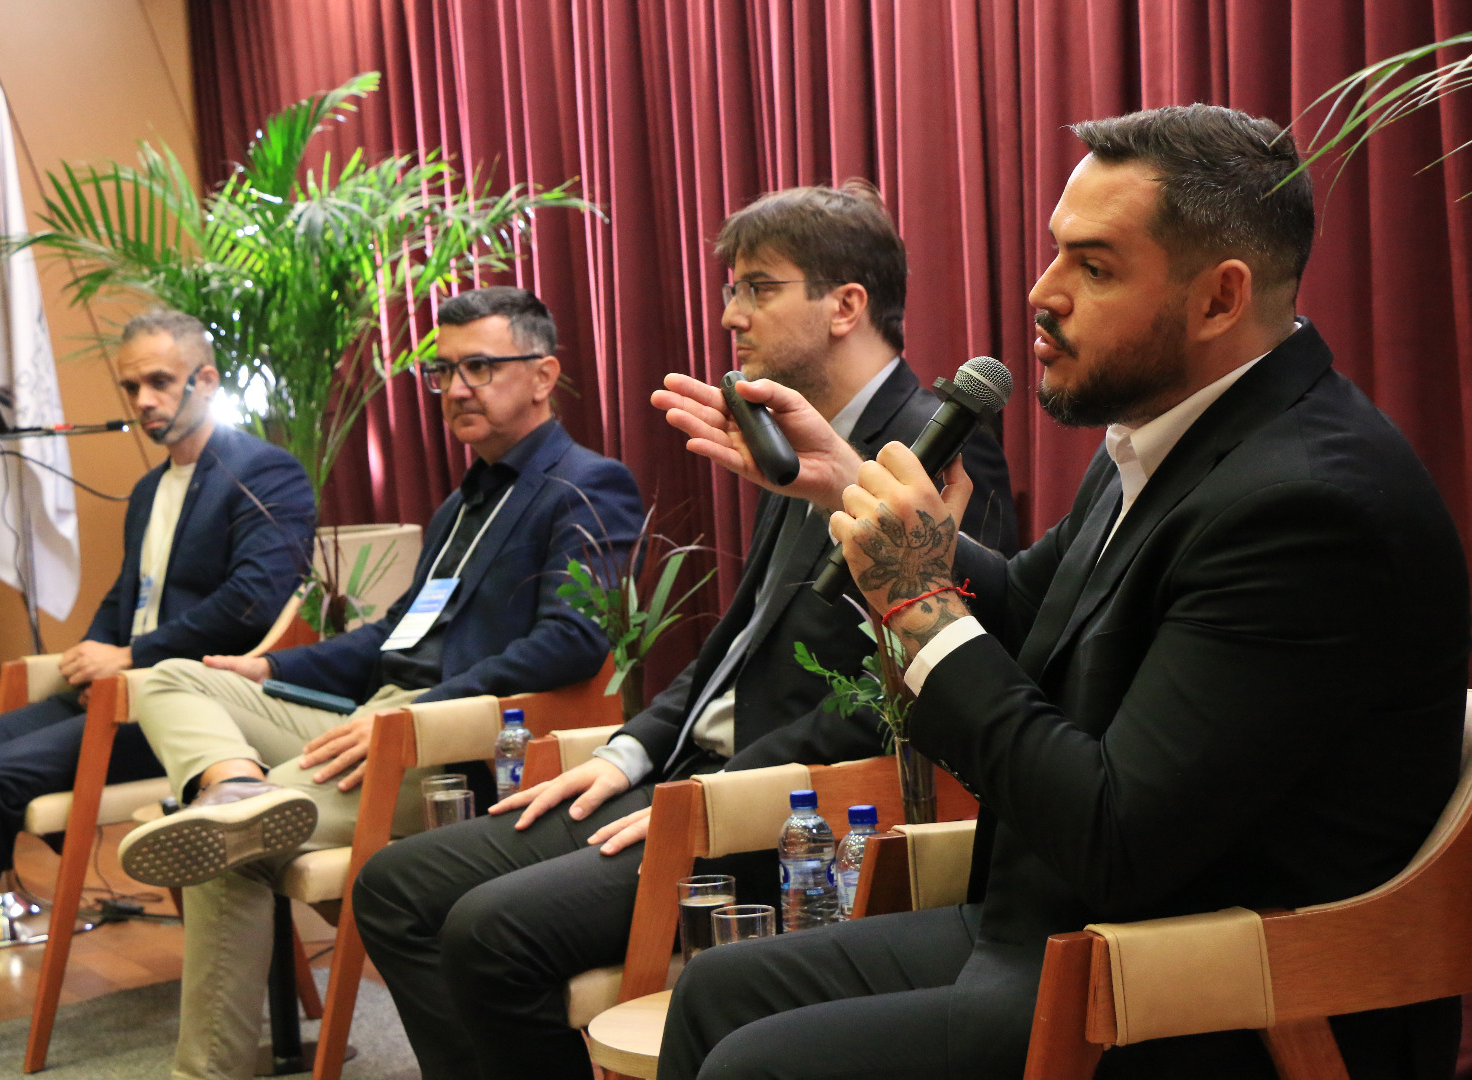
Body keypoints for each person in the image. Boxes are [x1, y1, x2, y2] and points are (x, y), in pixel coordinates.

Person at [657, 105, 1472, 1080]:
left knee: (758, 1064)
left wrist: (915, 607)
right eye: (1053, 255)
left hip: (1204, 993)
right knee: (715, 990)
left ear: (1217, 299)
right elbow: (1023, 609)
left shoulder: (1306, 505)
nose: (1040, 295)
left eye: (1092, 267)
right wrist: (844, 482)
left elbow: (1112, 837)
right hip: (1055, 935)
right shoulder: (1159, 432)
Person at [349, 183, 1018, 1080]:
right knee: (393, 887)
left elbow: (902, 687)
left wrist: (718, 792)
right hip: (688, 773)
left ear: (844, 306)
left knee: (488, 930)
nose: (728, 314)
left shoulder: (932, 441)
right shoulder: (797, 432)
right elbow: (731, 645)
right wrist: (626, 753)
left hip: (793, 807)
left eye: (757, 287)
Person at [113, 286, 644, 1080]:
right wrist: (270, 667)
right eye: (444, 373)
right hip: (372, 719)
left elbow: (572, 644)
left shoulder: (586, 485)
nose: (457, 388)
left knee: (226, 852)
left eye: (480, 367)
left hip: (458, 746)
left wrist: (419, 714)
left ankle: (206, 1061)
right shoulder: (459, 505)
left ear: (542, 375)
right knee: (172, 674)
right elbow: (391, 636)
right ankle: (230, 787)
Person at [0, 309, 316, 1079]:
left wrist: (131, 655)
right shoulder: (146, 489)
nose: (142, 401)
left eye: (160, 382)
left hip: (183, 707)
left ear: (206, 380)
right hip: (108, 693)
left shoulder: (264, 472)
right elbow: (126, 592)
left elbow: (251, 603)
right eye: (131, 385)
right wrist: (89, 649)